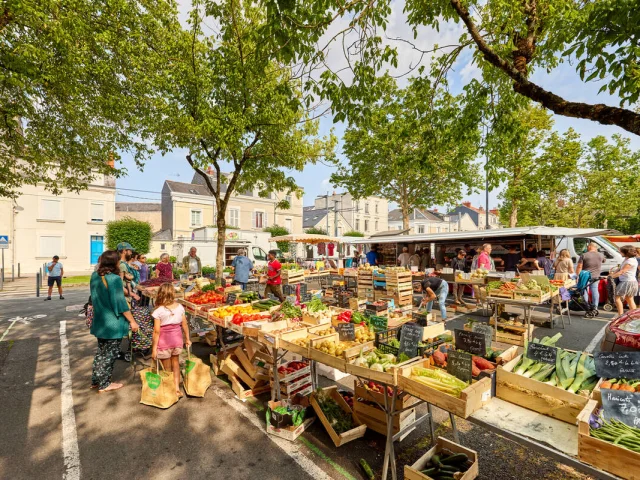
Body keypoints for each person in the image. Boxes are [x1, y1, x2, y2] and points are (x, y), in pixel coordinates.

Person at [89, 250, 139, 393]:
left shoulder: (95, 276)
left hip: (100, 320)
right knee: (110, 354)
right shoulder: (114, 279)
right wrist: (133, 321)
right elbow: (121, 303)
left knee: (101, 351)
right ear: (114, 262)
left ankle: (95, 380)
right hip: (112, 323)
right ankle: (104, 384)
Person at [151, 282, 191, 398]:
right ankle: (177, 389)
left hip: (164, 342)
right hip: (177, 340)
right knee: (176, 364)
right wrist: (187, 339)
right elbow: (184, 325)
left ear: (160, 294)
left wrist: (154, 349)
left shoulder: (158, 311)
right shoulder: (180, 307)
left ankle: (170, 390)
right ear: (173, 293)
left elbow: (156, 331)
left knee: (167, 368)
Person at [609, 245, 638, 315]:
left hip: (627, 282)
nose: (620, 253)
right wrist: (611, 275)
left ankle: (620, 315)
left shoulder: (630, 261)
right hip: (630, 281)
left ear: (626, 252)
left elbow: (622, 271)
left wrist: (611, 277)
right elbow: (619, 269)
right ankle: (634, 316)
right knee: (629, 299)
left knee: (616, 298)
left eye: (621, 252)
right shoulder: (628, 259)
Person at [576, 243, 604, 310]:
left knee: (584, 290)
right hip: (596, 276)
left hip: (585, 276)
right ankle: (595, 307)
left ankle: (586, 306)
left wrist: (577, 275)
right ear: (595, 247)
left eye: (587, 246)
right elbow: (603, 260)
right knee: (595, 290)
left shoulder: (584, 255)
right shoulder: (601, 255)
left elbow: (579, 266)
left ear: (589, 247)